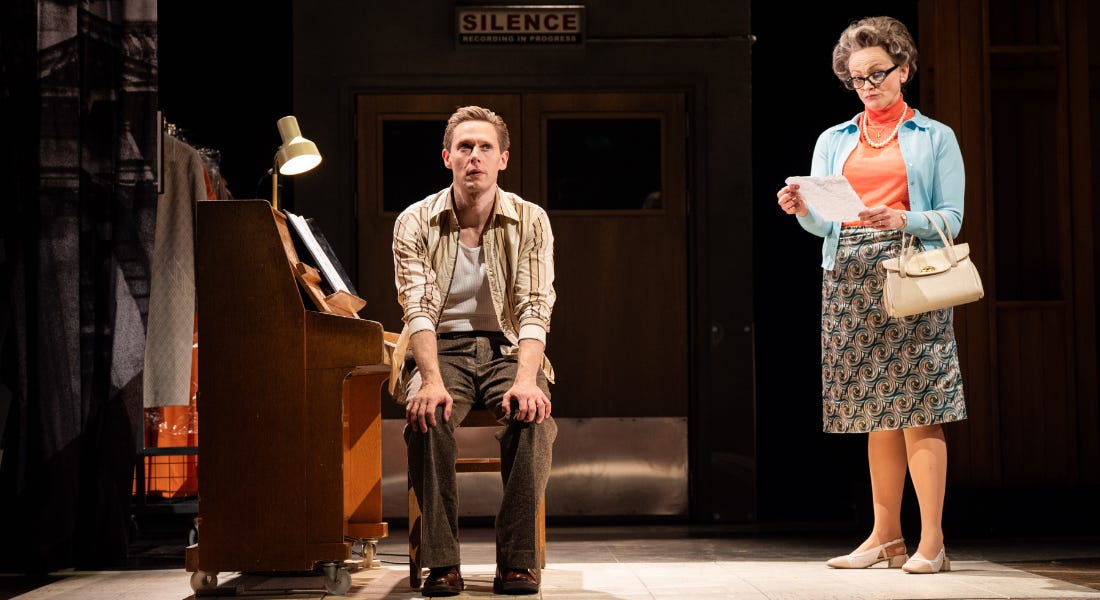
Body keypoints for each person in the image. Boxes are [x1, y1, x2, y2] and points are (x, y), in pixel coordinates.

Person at [776, 16, 967, 575]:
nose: (867, 86)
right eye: (857, 79)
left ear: (903, 69)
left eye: (878, 74)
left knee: (921, 409)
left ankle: (932, 541)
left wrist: (902, 217)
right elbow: (825, 226)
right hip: (848, 280)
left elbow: (953, 215)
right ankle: (886, 538)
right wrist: (804, 211)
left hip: (912, 273)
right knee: (873, 410)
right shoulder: (833, 140)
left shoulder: (934, 137)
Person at [389, 105, 557, 596]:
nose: (475, 157)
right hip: (440, 349)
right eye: (464, 147)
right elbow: (415, 306)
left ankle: (517, 562)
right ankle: (442, 563)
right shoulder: (414, 221)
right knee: (428, 417)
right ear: (447, 157)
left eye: (485, 147)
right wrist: (432, 380)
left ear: (503, 159)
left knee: (534, 418)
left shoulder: (531, 220)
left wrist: (527, 380)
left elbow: (534, 306)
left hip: (509, 350)